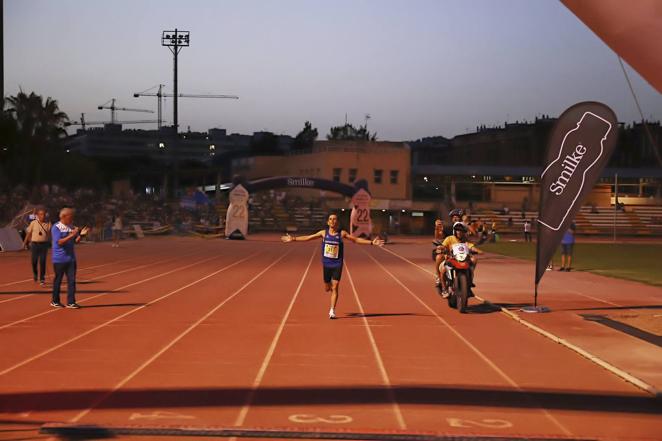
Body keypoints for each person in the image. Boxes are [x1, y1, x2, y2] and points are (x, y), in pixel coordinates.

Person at [281, 213, 384, 319]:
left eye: (334, 219)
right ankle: (328, 285)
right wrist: (293, 239)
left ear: (337, 222)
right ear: (328, 222)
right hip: (326, 264)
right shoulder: (323, 233)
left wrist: (371, 242)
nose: (332, 221)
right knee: (327, 288)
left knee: (335, 287)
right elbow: (308, 237)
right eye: (330, 219)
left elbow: (356, 240)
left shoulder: (342, 234)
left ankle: (332, 310)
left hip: (337, 264)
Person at [50, 208, 89, 308]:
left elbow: (75, 241)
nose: (72, 219)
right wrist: (72, 235)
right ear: (64, 216)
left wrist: (81, 235)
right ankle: (55, 300)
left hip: (71, 259)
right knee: (58, 280)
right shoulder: (56, 227)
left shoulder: (71, 226)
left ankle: (71, 301)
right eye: (70, 216)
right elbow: (59, 242)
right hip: (59, 259)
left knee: (72, 280)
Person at [438, 222, 483, 297]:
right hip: (450, 259)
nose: (459, 232)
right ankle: (444, 289)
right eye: (458, 230)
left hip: (463, 260)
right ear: (455, 231)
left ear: (464, 232)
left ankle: (469, 283)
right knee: (443, 270)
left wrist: (477, 250)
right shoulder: (449, 238)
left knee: (474, 260)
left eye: (461, 230)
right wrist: (440, 248)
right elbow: (443, 246)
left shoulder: (466, 241)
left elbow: (471, 247)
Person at [23, 207, 51, 286]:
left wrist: (51, 242)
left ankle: (42, 279)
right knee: (34, 261)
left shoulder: (48, 223)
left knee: (42, 262)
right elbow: (28, 233)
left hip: (44, 245)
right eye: (41, 214)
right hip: (34, 245)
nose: (43, 216)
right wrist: (25, 243)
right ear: (38, 215)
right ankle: (35, 274)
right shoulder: (33, 223)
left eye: (44, 214)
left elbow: (50, 234)